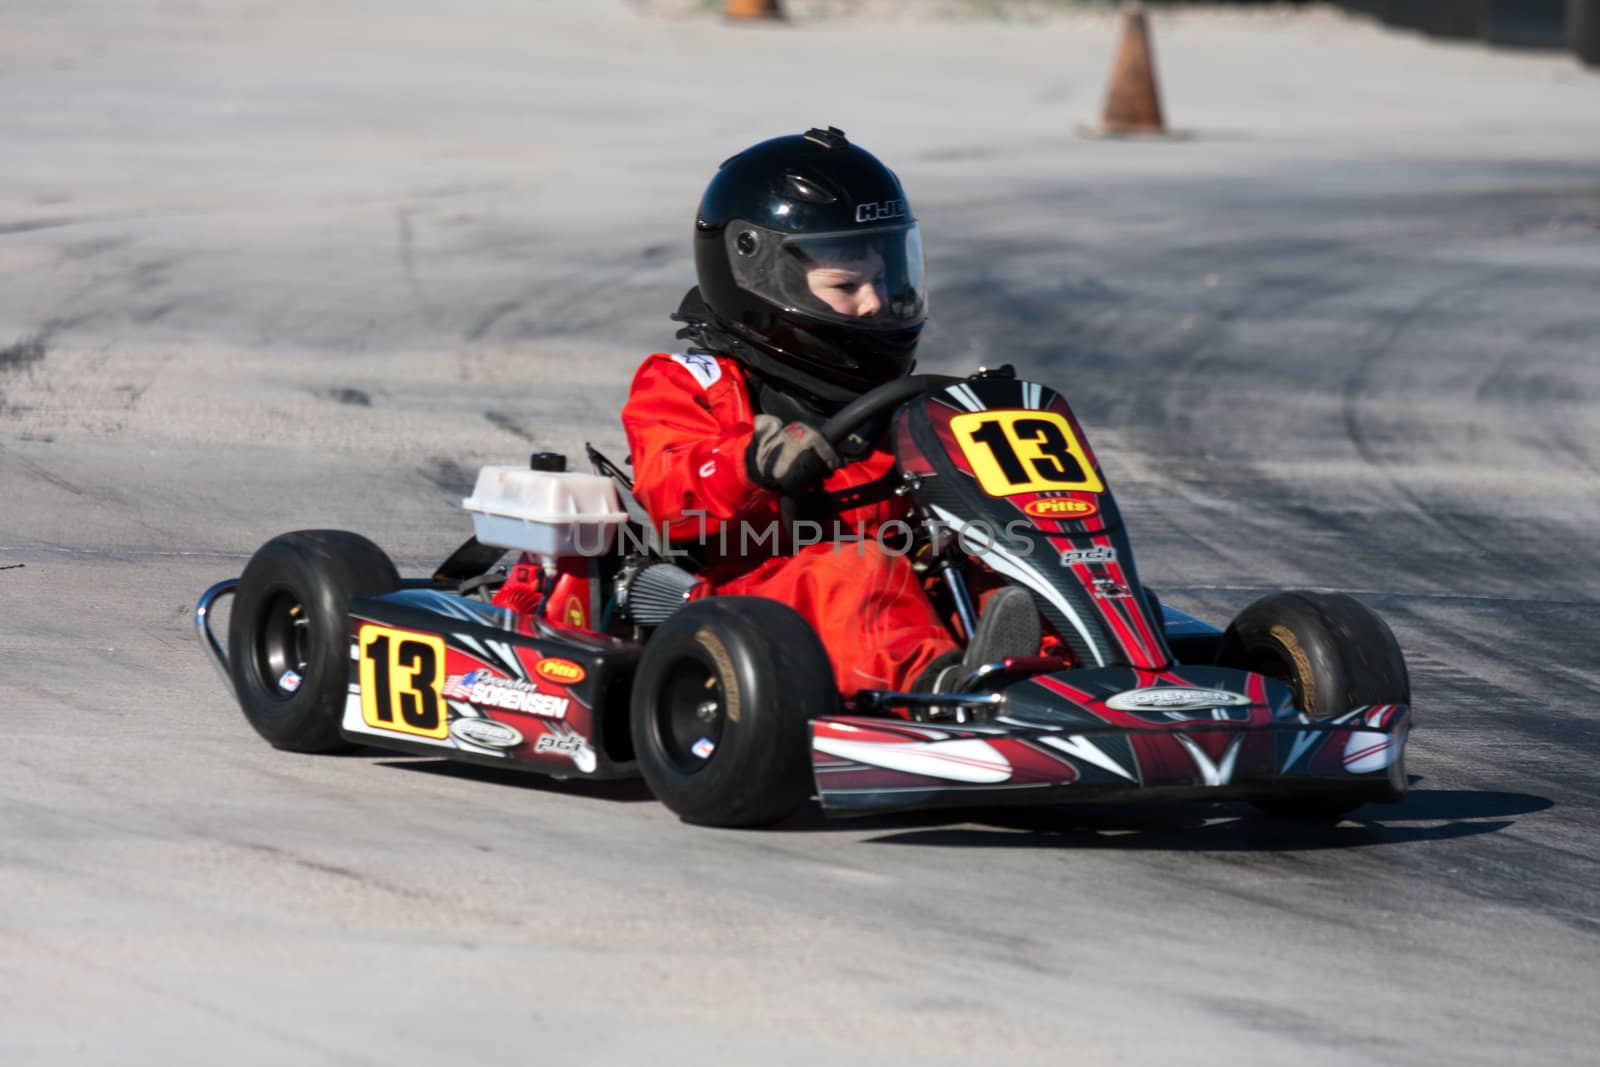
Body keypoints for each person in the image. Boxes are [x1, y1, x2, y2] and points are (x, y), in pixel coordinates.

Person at [620, 127, 1038, 699]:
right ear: (760, 277)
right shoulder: (690, 382)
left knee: (1011, 563)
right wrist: (752, 461)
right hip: (748, 602)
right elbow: (671, 492)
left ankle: (1079, 677)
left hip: (895, 588)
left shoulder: (905, 399)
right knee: (856, 569)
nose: (875, 303)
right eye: (847, 285)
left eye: (886, 279)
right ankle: (940, 693)